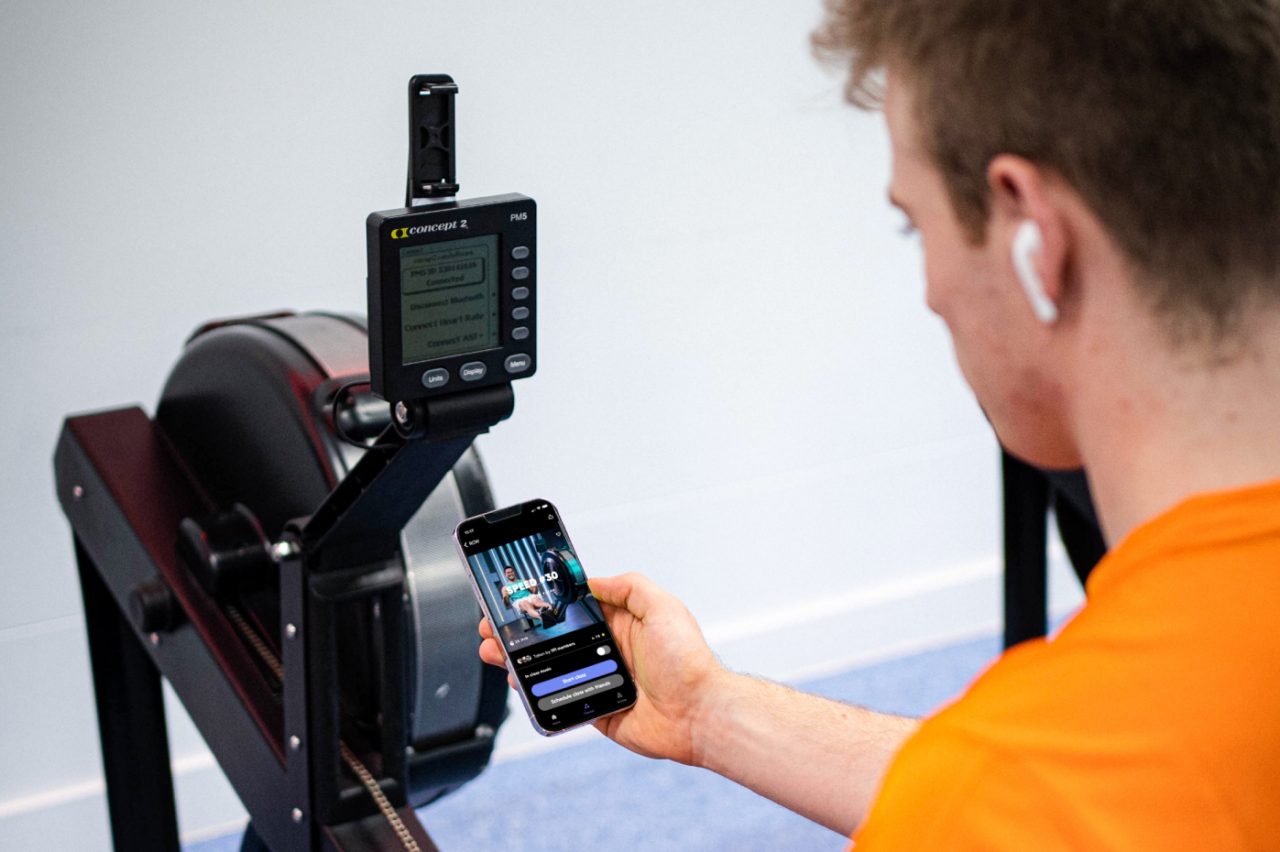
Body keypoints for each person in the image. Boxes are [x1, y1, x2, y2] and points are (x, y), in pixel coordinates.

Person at [481, 0, 1280, 846]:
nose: (931, 288)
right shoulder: (1083, 759)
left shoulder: (1004, 795)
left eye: (915, 223)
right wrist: (709, 711)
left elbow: (1011, 795)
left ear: (1032, 238)